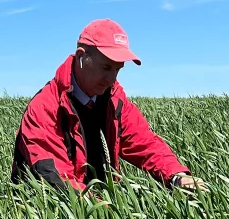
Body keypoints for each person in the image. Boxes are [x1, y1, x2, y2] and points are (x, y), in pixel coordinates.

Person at [11, 19, 207, 193]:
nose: (112, 78)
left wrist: (176, 175)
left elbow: (143, 142)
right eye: (106, 67)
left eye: (117, 69)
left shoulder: (114, 99)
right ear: (81, 56)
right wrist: (104, 212)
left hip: (98, 206)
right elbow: (54, 178)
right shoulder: (45, 108)